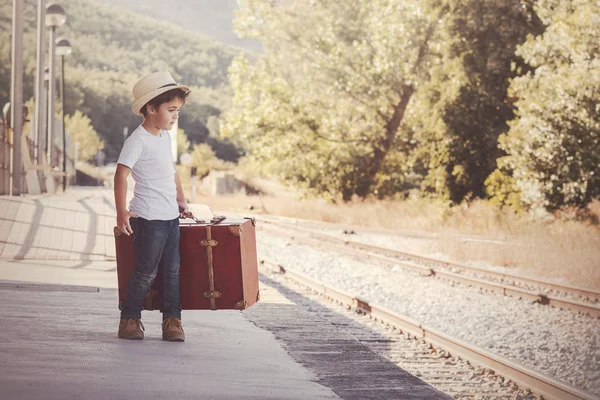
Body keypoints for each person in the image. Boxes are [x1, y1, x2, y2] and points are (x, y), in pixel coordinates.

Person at [114, 71, 192, 342]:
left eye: (178, 111)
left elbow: (171, 171)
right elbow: (121, 174)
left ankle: (172, 321)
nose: (175, 116)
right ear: (150, 108)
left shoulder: (163, 137)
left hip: (170, 217)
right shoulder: (138, 140)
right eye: (171, 110)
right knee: (146, 271)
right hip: (148, 218)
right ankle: (130, 318)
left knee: (172, 271)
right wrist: (122, 211)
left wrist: (181, 200)